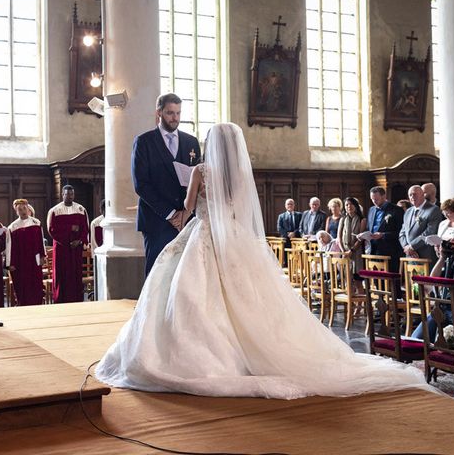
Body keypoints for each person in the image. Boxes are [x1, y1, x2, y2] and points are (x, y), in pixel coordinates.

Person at [95, 123, 429, 399]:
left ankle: (198, 355)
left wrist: (192, 193)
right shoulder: (238, 173)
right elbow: (238, 208)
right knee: (246, 297)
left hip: (201, 232)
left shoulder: (200, 170)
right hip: (233, 237)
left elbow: (188, 201)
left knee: (186, 292)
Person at [132, 93, 202, 276]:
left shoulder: (191, 142)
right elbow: (141, 185)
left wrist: (185, 213)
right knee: (158, 273)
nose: (175, 118)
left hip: (186, 220)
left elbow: (199, 181)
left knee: (184, 275)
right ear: (159, 113)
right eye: (170, 113)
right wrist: (171, 214)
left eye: (178, 113)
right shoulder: (144, 142)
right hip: (157, 220)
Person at [47, 185, 89, 303]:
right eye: (67, 194)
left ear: (73, 195)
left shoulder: (81, 209)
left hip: (76, 249)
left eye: (71, 194)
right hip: (61, 248)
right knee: (61, 274)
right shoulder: (55, 210)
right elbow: (51, 229)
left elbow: (85, 228)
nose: (69, 196)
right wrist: (69, 233)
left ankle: (77, 299)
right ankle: (60, 299)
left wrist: (79, 241)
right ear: (62, 195)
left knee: (75, 274)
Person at [5, 199, 46, 306]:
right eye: (20, 209)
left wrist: (43, 256)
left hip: (34, 259)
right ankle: (22, 305)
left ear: (28, 208)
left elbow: (41, 241)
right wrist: (10, 264)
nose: (23, 211)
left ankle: (37, 305)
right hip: (20, 261)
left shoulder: (36, 223)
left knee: (35, 284)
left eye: (24, 208)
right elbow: (9, 247)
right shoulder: (12, 227)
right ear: (16, 211)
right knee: (22, 286)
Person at [398, 185, 442, 263]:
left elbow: (430, 232)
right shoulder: (408, 211)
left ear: (422, 195)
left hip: (425, 254)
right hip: (409, 255)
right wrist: (406, 247)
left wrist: (412, 246)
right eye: (410, 195)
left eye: (414, 194)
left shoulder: (433, 209)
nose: (412, 197)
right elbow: (402, 233)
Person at [366, 186, 404, 272]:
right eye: (372, 199)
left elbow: (400, 232)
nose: (374, 202)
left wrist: (383, 235)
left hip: (390, 250)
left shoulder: (396, 210)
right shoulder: (371, 210)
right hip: (374, 249)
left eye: (376, 199)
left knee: (391, 279)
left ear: (384, 196)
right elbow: (369, 227)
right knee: (376, 279)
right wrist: (365, 235)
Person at [337, 196, 367, 285]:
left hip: (357, 252)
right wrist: (343, 251)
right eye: (346, 205)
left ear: (356, 206)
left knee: (357, 280)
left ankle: (360, 296)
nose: (349, 207)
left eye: (351, 204)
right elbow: (339, 235)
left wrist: (352, 250)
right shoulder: (342, 219)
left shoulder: (362, 219)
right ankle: (350, 296)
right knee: (347, 279)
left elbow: (361, 238)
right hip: (345, 251)